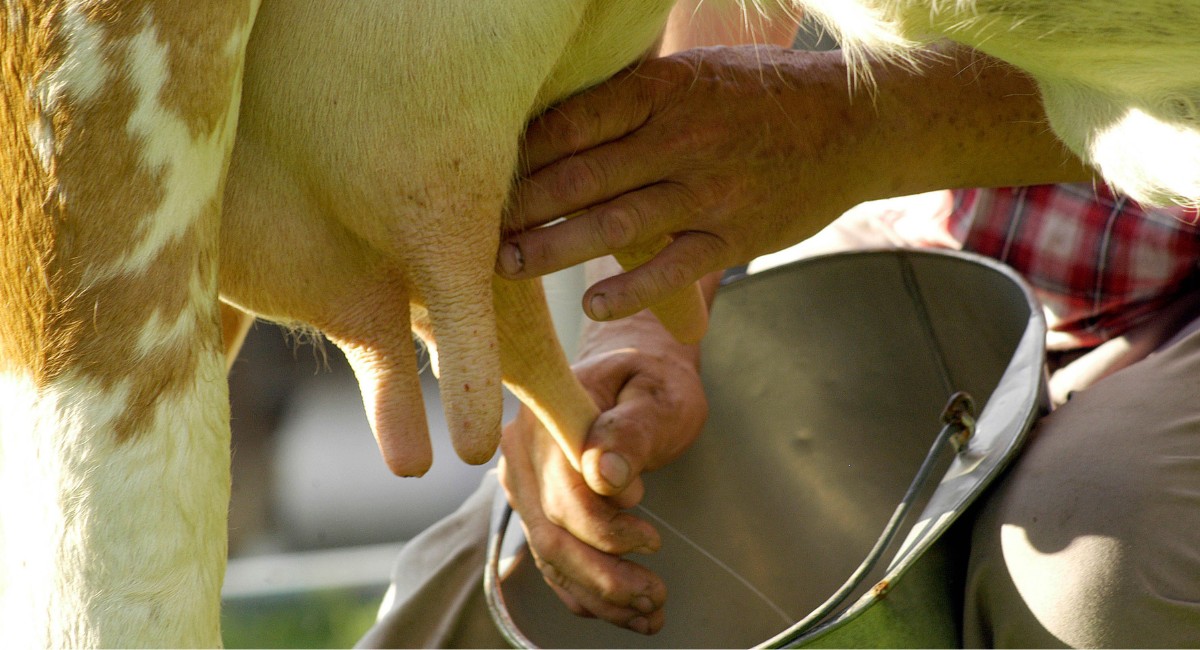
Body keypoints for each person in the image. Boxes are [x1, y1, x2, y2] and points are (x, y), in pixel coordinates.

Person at [361, 5, 1200, 649]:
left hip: (1175, 274)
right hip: (930, 216)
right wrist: (650, 319)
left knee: (1097, 567)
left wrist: (861, 127)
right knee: (478, 580)